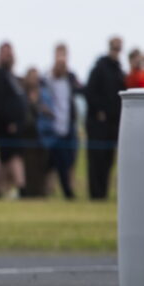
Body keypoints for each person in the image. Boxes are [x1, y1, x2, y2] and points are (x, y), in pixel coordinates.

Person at [0, 41, 27, 199]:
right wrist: (10, 122)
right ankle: (21, 188)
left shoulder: (12, 77)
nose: (9, 56)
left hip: (15, 126)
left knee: (6, 158)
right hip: (5, 126)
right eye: (6, 53)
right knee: (12, 156)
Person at [39, 43, 83, 199]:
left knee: (68, 161)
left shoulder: (71, 78)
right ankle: (53, 191)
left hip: (68, 127)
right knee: (52, 163)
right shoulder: (46, 79)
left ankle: (67, 190)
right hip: (52, 128)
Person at [85, 36, 125, 200]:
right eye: (115, 48)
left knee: (108, 160)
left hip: (113, 124)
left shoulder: (118, 70)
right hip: (98, 124)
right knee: (97, 160)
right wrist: (99, 111)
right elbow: (90, 93)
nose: (116, 51)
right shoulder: (99, 68)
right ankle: (96, 194)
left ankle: (103, 193)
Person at [20, 68, 48, 197]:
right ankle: (29, 194)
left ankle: (40, 193)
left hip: (42, 137)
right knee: (29, 167)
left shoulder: (43, 94)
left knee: (41, 168)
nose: (34, 79)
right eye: (32, 76)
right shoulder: (23, 95)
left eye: (36, 77)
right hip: (28, 137)